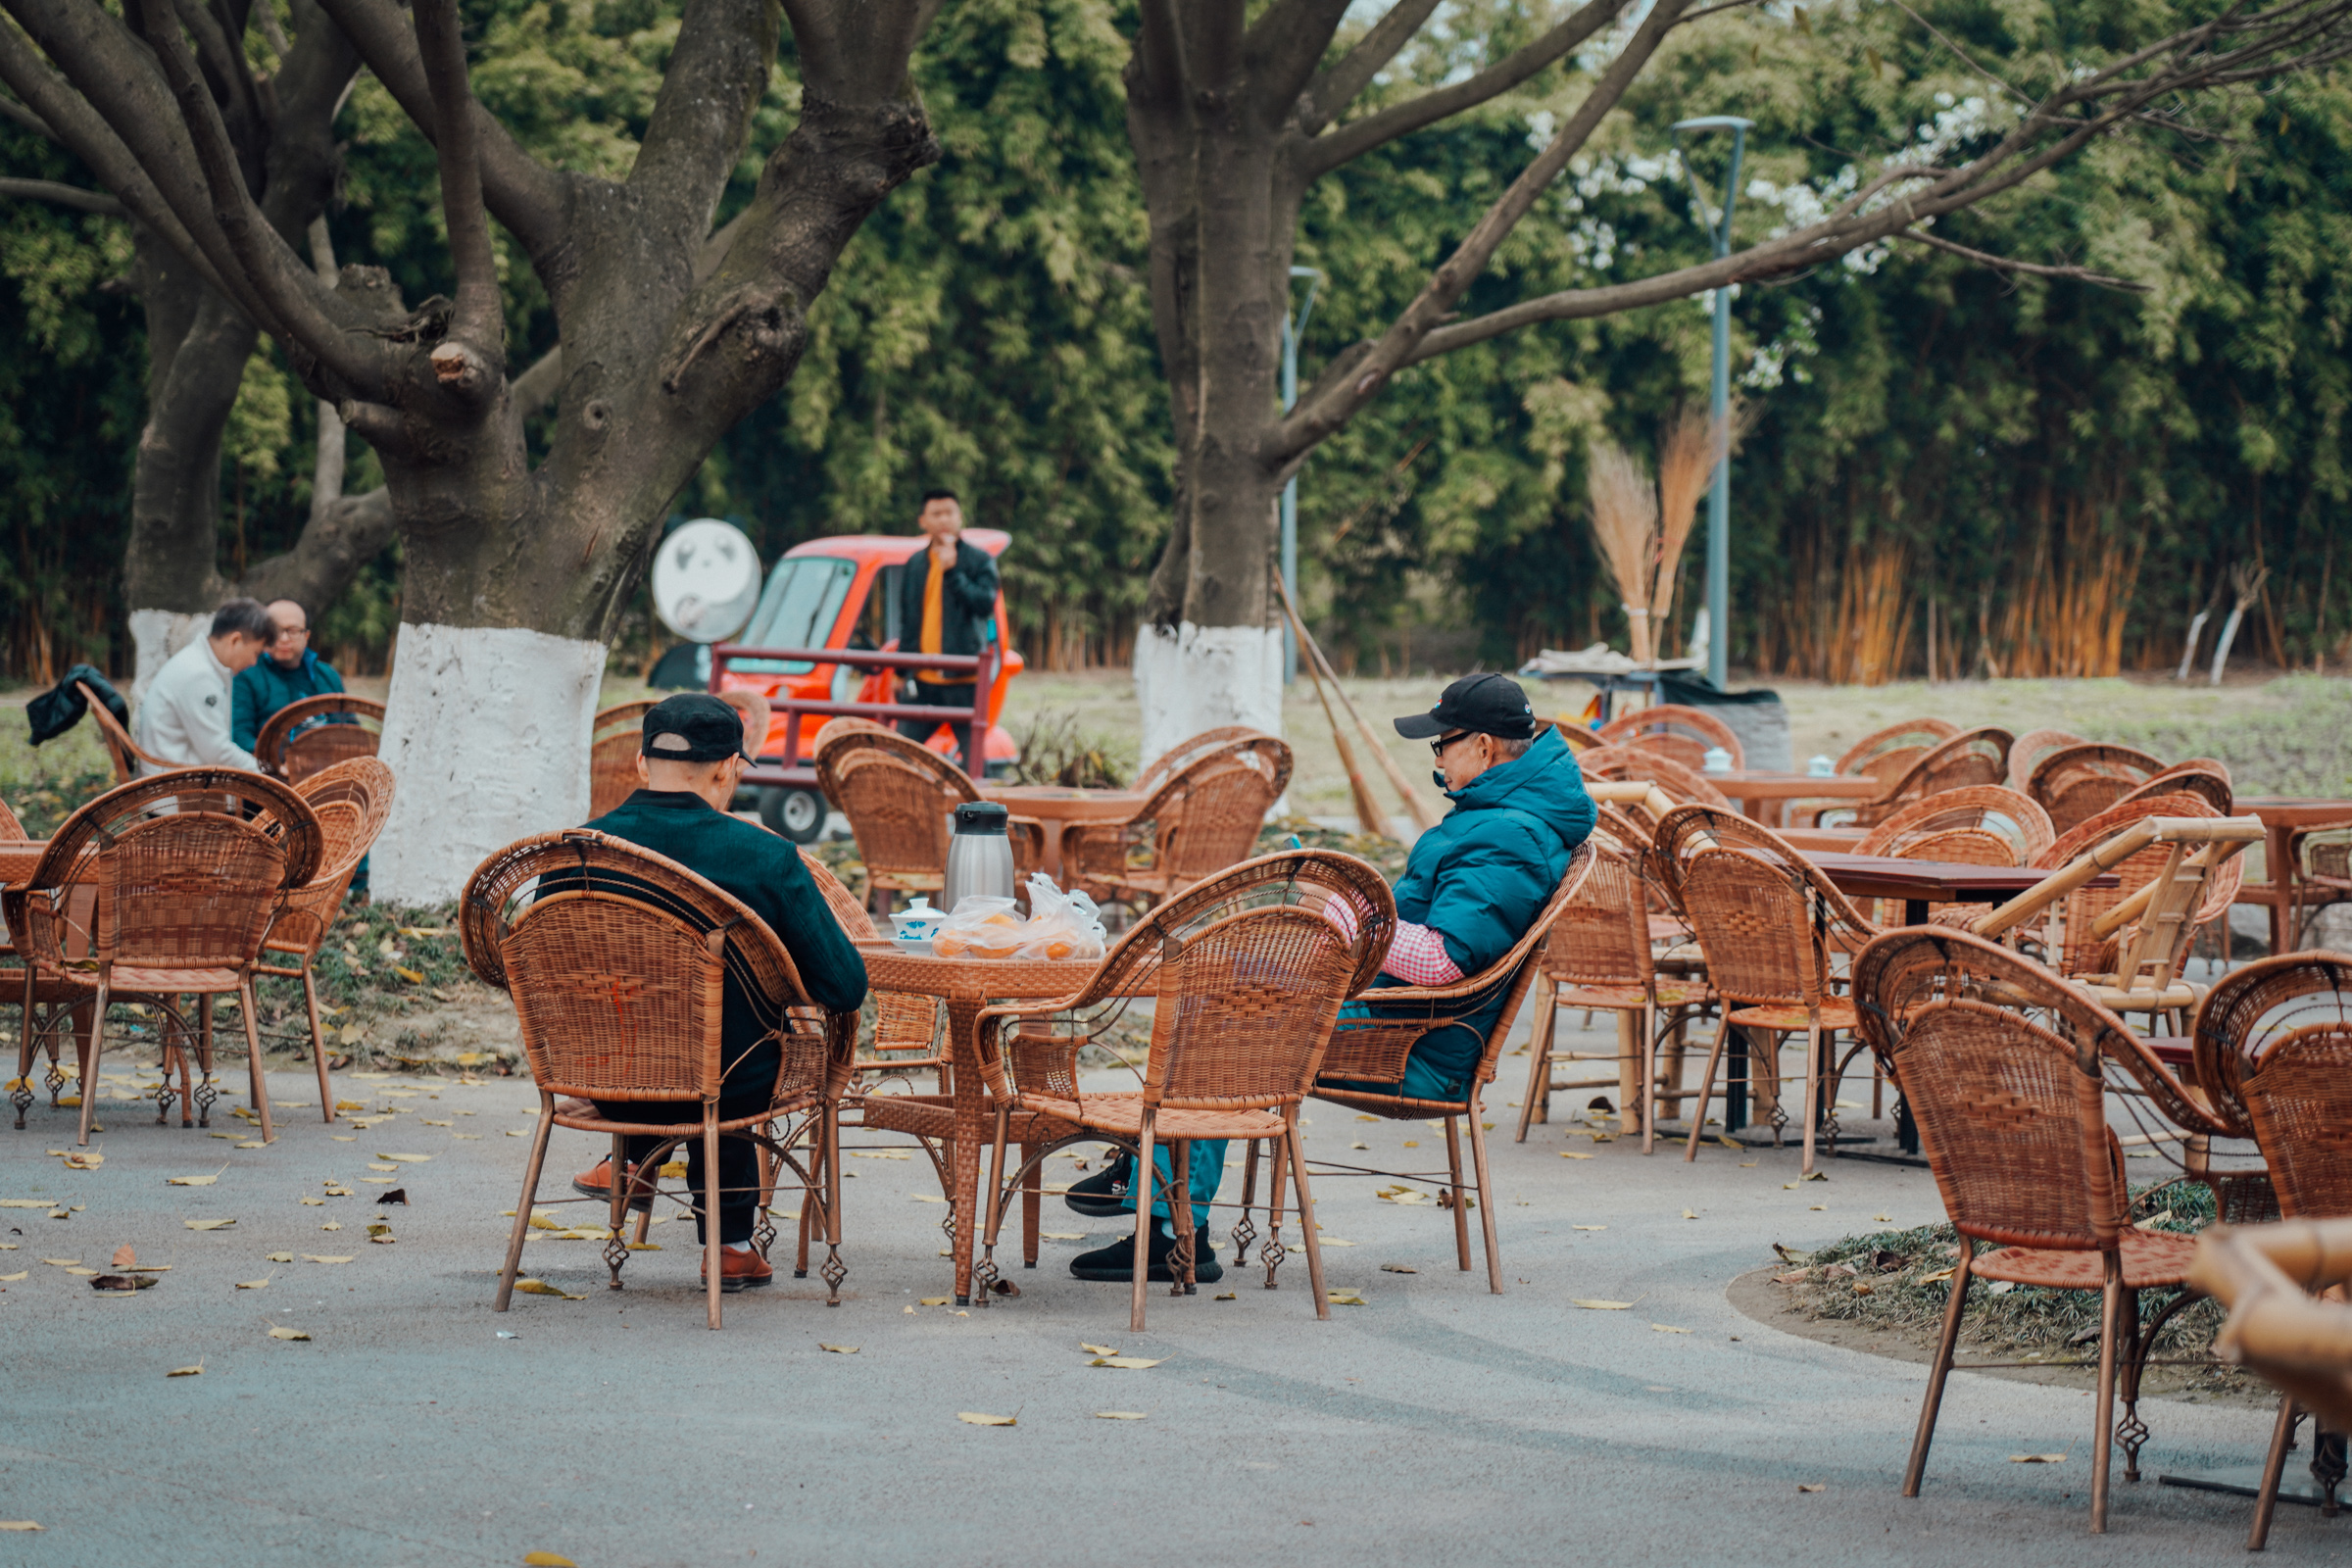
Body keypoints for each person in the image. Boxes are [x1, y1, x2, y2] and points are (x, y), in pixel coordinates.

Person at [1062, 672, 1594, 1284]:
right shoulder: (1505, 817)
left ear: (1484, 747)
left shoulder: (1511, 834)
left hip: (1415, 1043)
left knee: (1225, 1021)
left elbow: (1446, 960)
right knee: (1221, 989)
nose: (1437, 757)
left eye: (1441, 743)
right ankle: (1154, 1189)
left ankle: (1167, 1223)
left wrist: (1350, 914)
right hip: (1397, 1014)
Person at [566, 693, 868, 1291]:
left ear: (639, 763)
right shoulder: (764, 858)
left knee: (655, 1020)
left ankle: (630, 1163)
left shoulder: (576, 849)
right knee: (737, 1043)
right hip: (726, 1084)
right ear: (730, 767)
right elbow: (844, 985)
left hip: (598, 1079)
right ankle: (729, 1247)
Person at [894, 489, 998, 748]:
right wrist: (900, 670)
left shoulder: (979, 559)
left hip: (964, 680)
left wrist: (953, 572)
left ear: (960, 517)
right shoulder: (916, 563)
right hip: (924, 681)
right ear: (923, 521)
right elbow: (909, 622)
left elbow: (985, 605)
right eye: (936, 514)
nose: (943, 520)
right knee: (899, 754)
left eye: (949, 513)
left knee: (974, 761)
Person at [135, 599, 276, 771]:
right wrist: (267, 770)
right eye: (256, 653)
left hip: (182, 777)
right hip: (175, 787)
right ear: (235, 640)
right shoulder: (199, 675)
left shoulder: (199, 663)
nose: (254, 662)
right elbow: (217, 751)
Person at [230, 599, 346, 754]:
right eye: (275, 630)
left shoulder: (328, 675)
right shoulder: (246, 674)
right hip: (272, 771)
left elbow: (348, 728)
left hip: (330, 767)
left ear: (306, 636)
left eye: (293, 630)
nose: (284, 639)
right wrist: (280, 761)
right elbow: (240, 736)